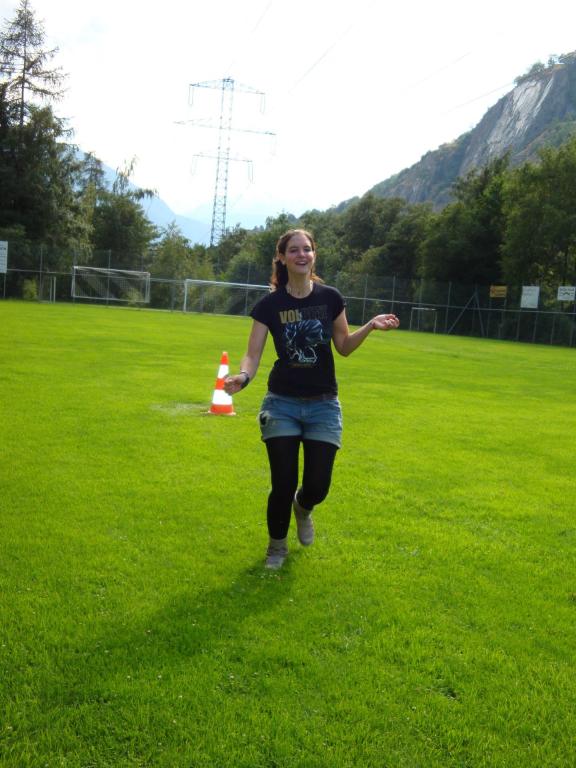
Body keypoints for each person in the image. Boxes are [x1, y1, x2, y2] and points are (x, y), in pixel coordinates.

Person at [224, 229, 399, 569]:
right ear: (282, 257)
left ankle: (303, 508)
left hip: (323, 405)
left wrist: (370, 326)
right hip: (282, 403)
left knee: (317, 486)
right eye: (294, 250)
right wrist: (243, 377)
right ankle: (276, 548)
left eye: (307, 249)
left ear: (314, 255)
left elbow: (343, 346)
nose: (301, 255)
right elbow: (252, 354)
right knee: (283, 482)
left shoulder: (330, 297)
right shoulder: (269, 305)